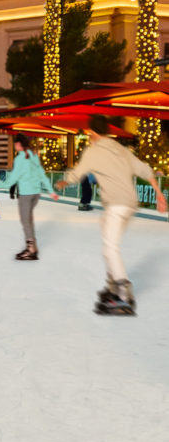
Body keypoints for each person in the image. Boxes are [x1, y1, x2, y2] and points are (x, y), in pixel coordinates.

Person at [56, 114, 168, 315]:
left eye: (89, 132)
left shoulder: (94, 151)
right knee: (106, 231)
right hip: (128, 204)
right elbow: (144, 169)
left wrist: (65, 181)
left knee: (110, 248)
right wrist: (159, 195)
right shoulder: (121, 149)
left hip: (117, 204)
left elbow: (78, 172)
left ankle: (124, 297)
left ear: (92, 132)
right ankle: (113, 287)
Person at [5, 134, 58, 261]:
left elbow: (13, 178)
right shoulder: (34, 156)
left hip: (26, 194)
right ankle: (33, 247)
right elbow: (42, 175)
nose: (14, 145)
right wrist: (51, 191)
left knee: (25, 221)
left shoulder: (20, 159)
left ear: (18, 145)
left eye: (15, 143)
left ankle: (31, 250)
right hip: (36, 194)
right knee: (28, 219)